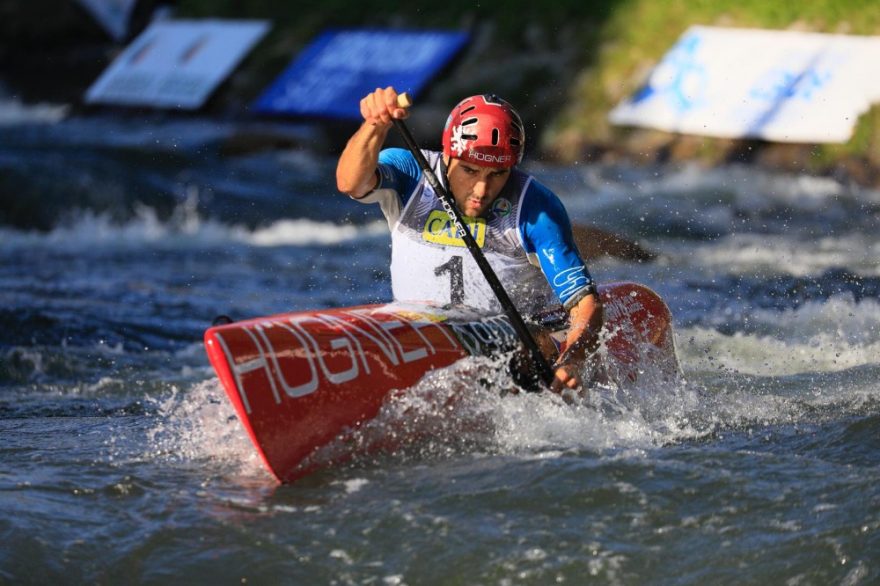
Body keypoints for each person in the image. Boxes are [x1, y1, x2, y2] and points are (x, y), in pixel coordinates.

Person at [336, 87, 603, 394]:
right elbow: (349, 183)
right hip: (420, 333)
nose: (481, 189)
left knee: (529, 342)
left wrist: (574, 358)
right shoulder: (411, 172)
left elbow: (582, 301)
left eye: (497, 174)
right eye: (470, 170)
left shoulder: (535, 205)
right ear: (448, 155)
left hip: (512, 348)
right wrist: (375, 124)